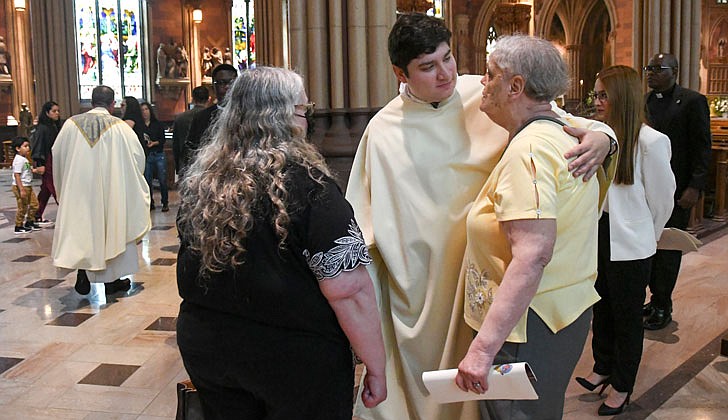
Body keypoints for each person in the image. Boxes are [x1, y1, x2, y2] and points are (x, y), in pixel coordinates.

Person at [345, 13, 617, 420]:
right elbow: (363, 224)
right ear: (400, 74)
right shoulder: (383, 130)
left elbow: (561, 123)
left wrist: (603, 138)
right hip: (424, 286)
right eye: (427, 66)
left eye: (448, 58)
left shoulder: (486, 91)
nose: (445, 74)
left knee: (491, 392)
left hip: (494, 274)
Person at [176, 67, 387, 419]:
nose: (307, 120)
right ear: (285, 117)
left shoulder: (202, 183)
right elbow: (349, 289)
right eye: (304, 110)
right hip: (293, 358)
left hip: (210, 349)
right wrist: (376, 364)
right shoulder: (311, 187)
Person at [454, 35, 603, 420]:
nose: (482, 85)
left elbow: (533, 254)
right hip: (555, 315)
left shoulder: (531, 149)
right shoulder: (559, 134)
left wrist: (484, 349)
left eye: (489, 76)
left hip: (526, 326)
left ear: (515, 86)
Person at [575, 65, 675, 416]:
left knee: (627, 315)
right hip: (600, 233)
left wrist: (649, 235)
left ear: (622, 97)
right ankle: (603, 366)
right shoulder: (601, 135)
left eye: (603, 95)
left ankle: (621, 384)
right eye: (596, 95)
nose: (597, 101)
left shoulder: (651, 141)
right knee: (600, 306)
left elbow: (663, 199)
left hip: (632, 242)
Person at [51, 85, 151, 296]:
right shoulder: (121, 128)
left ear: (91, 101)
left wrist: (64, 186)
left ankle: (83, 272)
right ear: (112, 104)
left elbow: (57, 154)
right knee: (110, 230)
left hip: (78, 190)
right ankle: (111, 282)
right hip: (110, 190)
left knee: (83, 230)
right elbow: (137, 158)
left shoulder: (70, 124)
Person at [643, 53, 712, 330]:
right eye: (649, 68)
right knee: (649, 249)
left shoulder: (693, 101)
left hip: (677, 189)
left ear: (675, 71)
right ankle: (653, 299)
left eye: (658, 69)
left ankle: (663, 305)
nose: (651, 73)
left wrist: (695, 186)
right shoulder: (646, 101)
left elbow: (702, 147)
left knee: (668, 250)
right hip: (648, 190)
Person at [180, 64, 237, 173]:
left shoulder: (247, 114)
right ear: (213, 86)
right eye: (221, 83)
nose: (227, 87)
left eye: (231, 82)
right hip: (209, 173)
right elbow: (191, 149)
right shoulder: (202, 117)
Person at [30, 101, 62, 225]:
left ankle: (36, 215)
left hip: (53, 160)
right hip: (47, 161)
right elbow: (38, 146)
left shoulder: (54, 126)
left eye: (58, 111)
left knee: (45, 190)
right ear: (47, 112)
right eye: (54, 111)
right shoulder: (42, 128)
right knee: (54, 187)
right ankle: (65, 211)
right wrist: (40, 163)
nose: (57, 113)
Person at [172, 86, 209, 174]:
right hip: (206, 164)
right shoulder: (212, 116)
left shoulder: (180, 118)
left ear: (193, 99)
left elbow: (176, 145)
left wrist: (178, 167)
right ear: (208, 99)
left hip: (186, 164)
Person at [140, 102, 169, 212]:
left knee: (162, 179)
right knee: (147, 180)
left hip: (158, 154)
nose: (145, 112)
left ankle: (165, 202)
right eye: (142, 110)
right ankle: (150, 202)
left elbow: (163, 140)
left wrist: (154, 143)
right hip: (147, 155)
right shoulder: (140, 126)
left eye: (146, 109)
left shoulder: (157, 124)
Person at [11, 137, 42, 234]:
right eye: (25, 146)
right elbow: (17, 175)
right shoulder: (19, 160)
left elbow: (28, 170)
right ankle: (18, 226)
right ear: (18, 148)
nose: (28, 148)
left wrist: (36, 170)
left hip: (28, 185)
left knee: (34, 204)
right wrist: (21, 189)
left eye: (28, 146)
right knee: (22, 207)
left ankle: (30, 222)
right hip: (22, 186)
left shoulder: (24, 159)